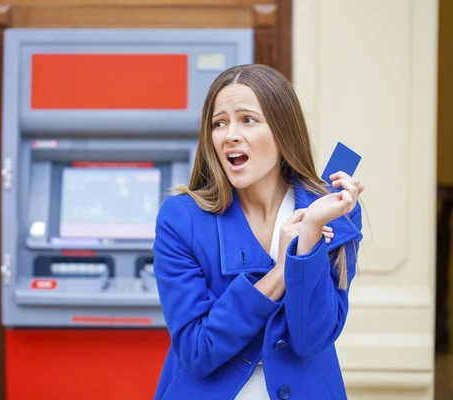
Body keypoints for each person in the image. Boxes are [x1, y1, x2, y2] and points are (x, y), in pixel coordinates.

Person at [152, 64, 365, 400]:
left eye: (247, 120)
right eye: (219, 123)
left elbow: (312, 338)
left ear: (282, 130)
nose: (229, 135)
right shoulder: (182, 219)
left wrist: (308, 240)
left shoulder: (330, 211)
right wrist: (281, 270)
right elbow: (197, 350)